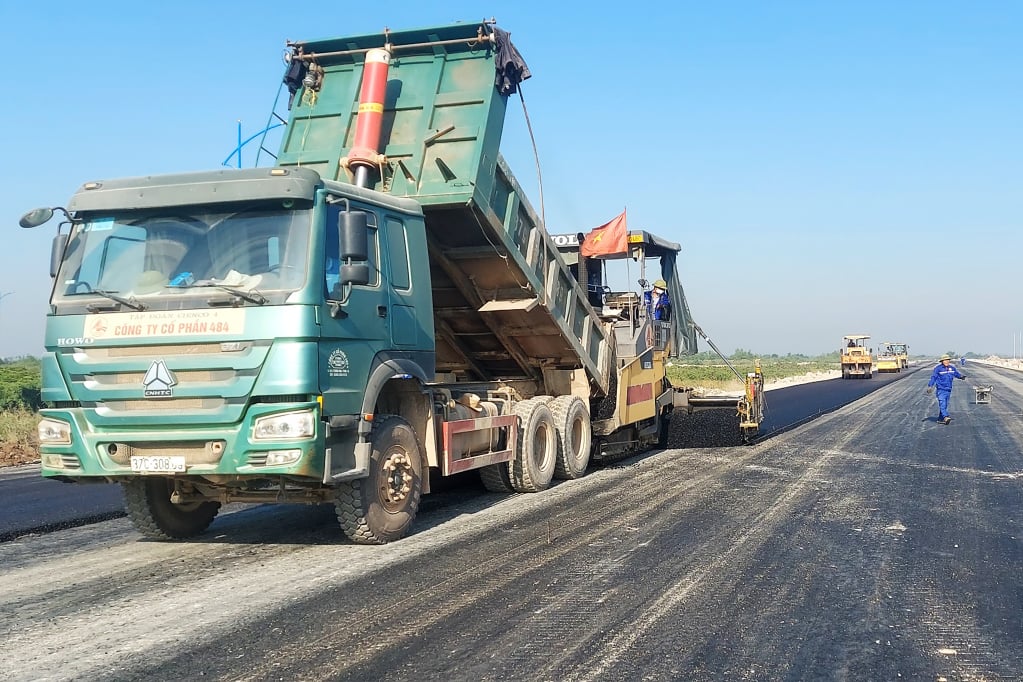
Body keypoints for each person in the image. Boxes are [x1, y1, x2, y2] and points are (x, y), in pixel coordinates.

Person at [926, 354, 966, 424]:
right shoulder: (938, 369)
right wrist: (930, 386)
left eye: (948, 360)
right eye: (945, 360)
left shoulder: (952, 368)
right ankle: (945, 417)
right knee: (942, 404)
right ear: (942, 361)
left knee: (945, 404)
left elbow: (956, 374)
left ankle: (940, 419)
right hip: (941, 389)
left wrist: (961, 377)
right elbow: (934, 377)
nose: (947, 361)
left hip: (948, 389)